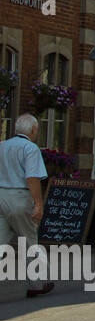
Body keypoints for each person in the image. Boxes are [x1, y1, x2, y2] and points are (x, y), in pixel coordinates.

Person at [0, 114, 54, 298]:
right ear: (32, 130)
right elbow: (32, 178)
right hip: (20, 196)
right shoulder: (30, 148)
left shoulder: (3, 146)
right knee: (30, 241)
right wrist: (38, 204)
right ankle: (37, 284)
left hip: (1, 195)